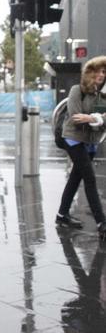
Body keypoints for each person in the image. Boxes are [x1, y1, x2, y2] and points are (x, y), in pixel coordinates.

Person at [55, 56, 106, 240]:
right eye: (98, 71)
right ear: (90, 72)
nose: (101, 75)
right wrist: (99, 118)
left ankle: (62, 215)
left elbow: (96, 120)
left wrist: (92, 118)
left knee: (76, 178)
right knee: (90, 179)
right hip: (74, 139)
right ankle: (102, 223)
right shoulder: (77, 90)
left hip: (91, 142)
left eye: (104, 72)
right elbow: (76, 118)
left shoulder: (103, 94)